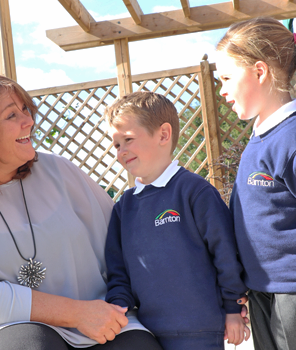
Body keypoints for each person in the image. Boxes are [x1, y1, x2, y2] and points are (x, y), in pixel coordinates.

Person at [0, 74, 164, 350]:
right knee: (33, 345)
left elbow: (120, 243)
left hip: (99, 318)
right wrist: (76, 313)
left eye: (25, 109)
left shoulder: (58, 171)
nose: (29, 121)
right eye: (12, 115)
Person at [216, 16, 296, 350]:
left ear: (260, 71)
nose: (222, 89)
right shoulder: (259, 139)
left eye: (226, 77)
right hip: (263, 292)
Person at [103, 91, 250, 350]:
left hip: (199, 330)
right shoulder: (123, 207)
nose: (121, 152)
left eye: (128, 140)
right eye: (116, 145)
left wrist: (232, 309)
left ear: (163, 135)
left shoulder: (195, 192)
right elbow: (118, 270)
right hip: (144, 334)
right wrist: (118, 305)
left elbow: (226, 255)